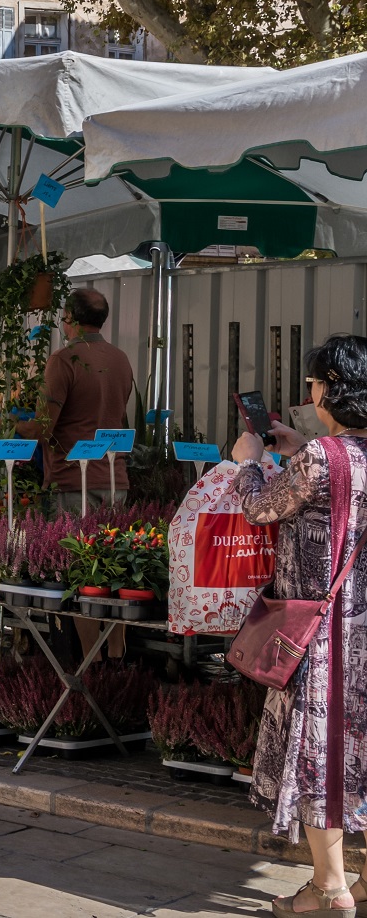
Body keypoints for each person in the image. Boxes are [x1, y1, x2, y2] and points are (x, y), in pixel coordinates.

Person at [232, 337, 367, 915]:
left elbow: (261, 507)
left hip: (321, 632)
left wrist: (248, 462)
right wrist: (300, 448)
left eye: (313, 385)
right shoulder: (341, 454)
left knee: (322, 747)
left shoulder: (320, 459)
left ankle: (329, 887)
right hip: (363, 626)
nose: (308, 395)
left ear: (332, 386)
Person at [41, 287, 134, 494]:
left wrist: (14, 425)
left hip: (73, 481)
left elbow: (43, 427)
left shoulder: (64, 359)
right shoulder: (120, 358)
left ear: (70, 317)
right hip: (115, 480)